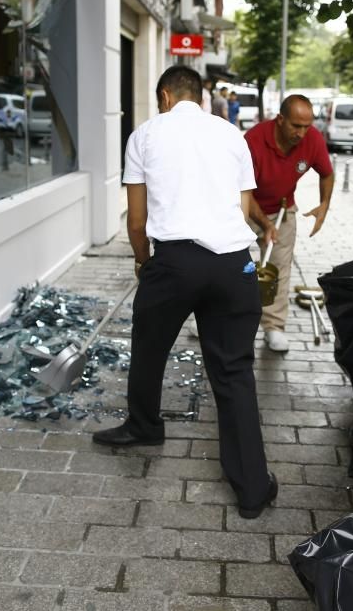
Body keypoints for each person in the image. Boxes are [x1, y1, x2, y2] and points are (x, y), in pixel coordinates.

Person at [92, 65, 277, 519]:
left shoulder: (145, 135)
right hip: (235, 263)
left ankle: (144, 426)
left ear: (165, 96)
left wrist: (142, 260)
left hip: (174, 262)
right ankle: (252, 488)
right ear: (201, 96)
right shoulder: (233, 135)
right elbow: (244, 205)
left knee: (149, 346)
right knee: (234, 372)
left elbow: (135, 221)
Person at [244, 94, 334, 352]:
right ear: (280, 119)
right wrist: (264, 224)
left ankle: (273, 326)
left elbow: (327, 174)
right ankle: (211, 317)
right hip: (243, 206)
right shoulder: (253, 141)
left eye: (307, 126)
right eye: (296, 126)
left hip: (282, 208)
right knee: (226, 264)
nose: (302, 133)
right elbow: (244, 193)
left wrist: (324, 205)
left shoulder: (313, 139)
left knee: (278, 268)